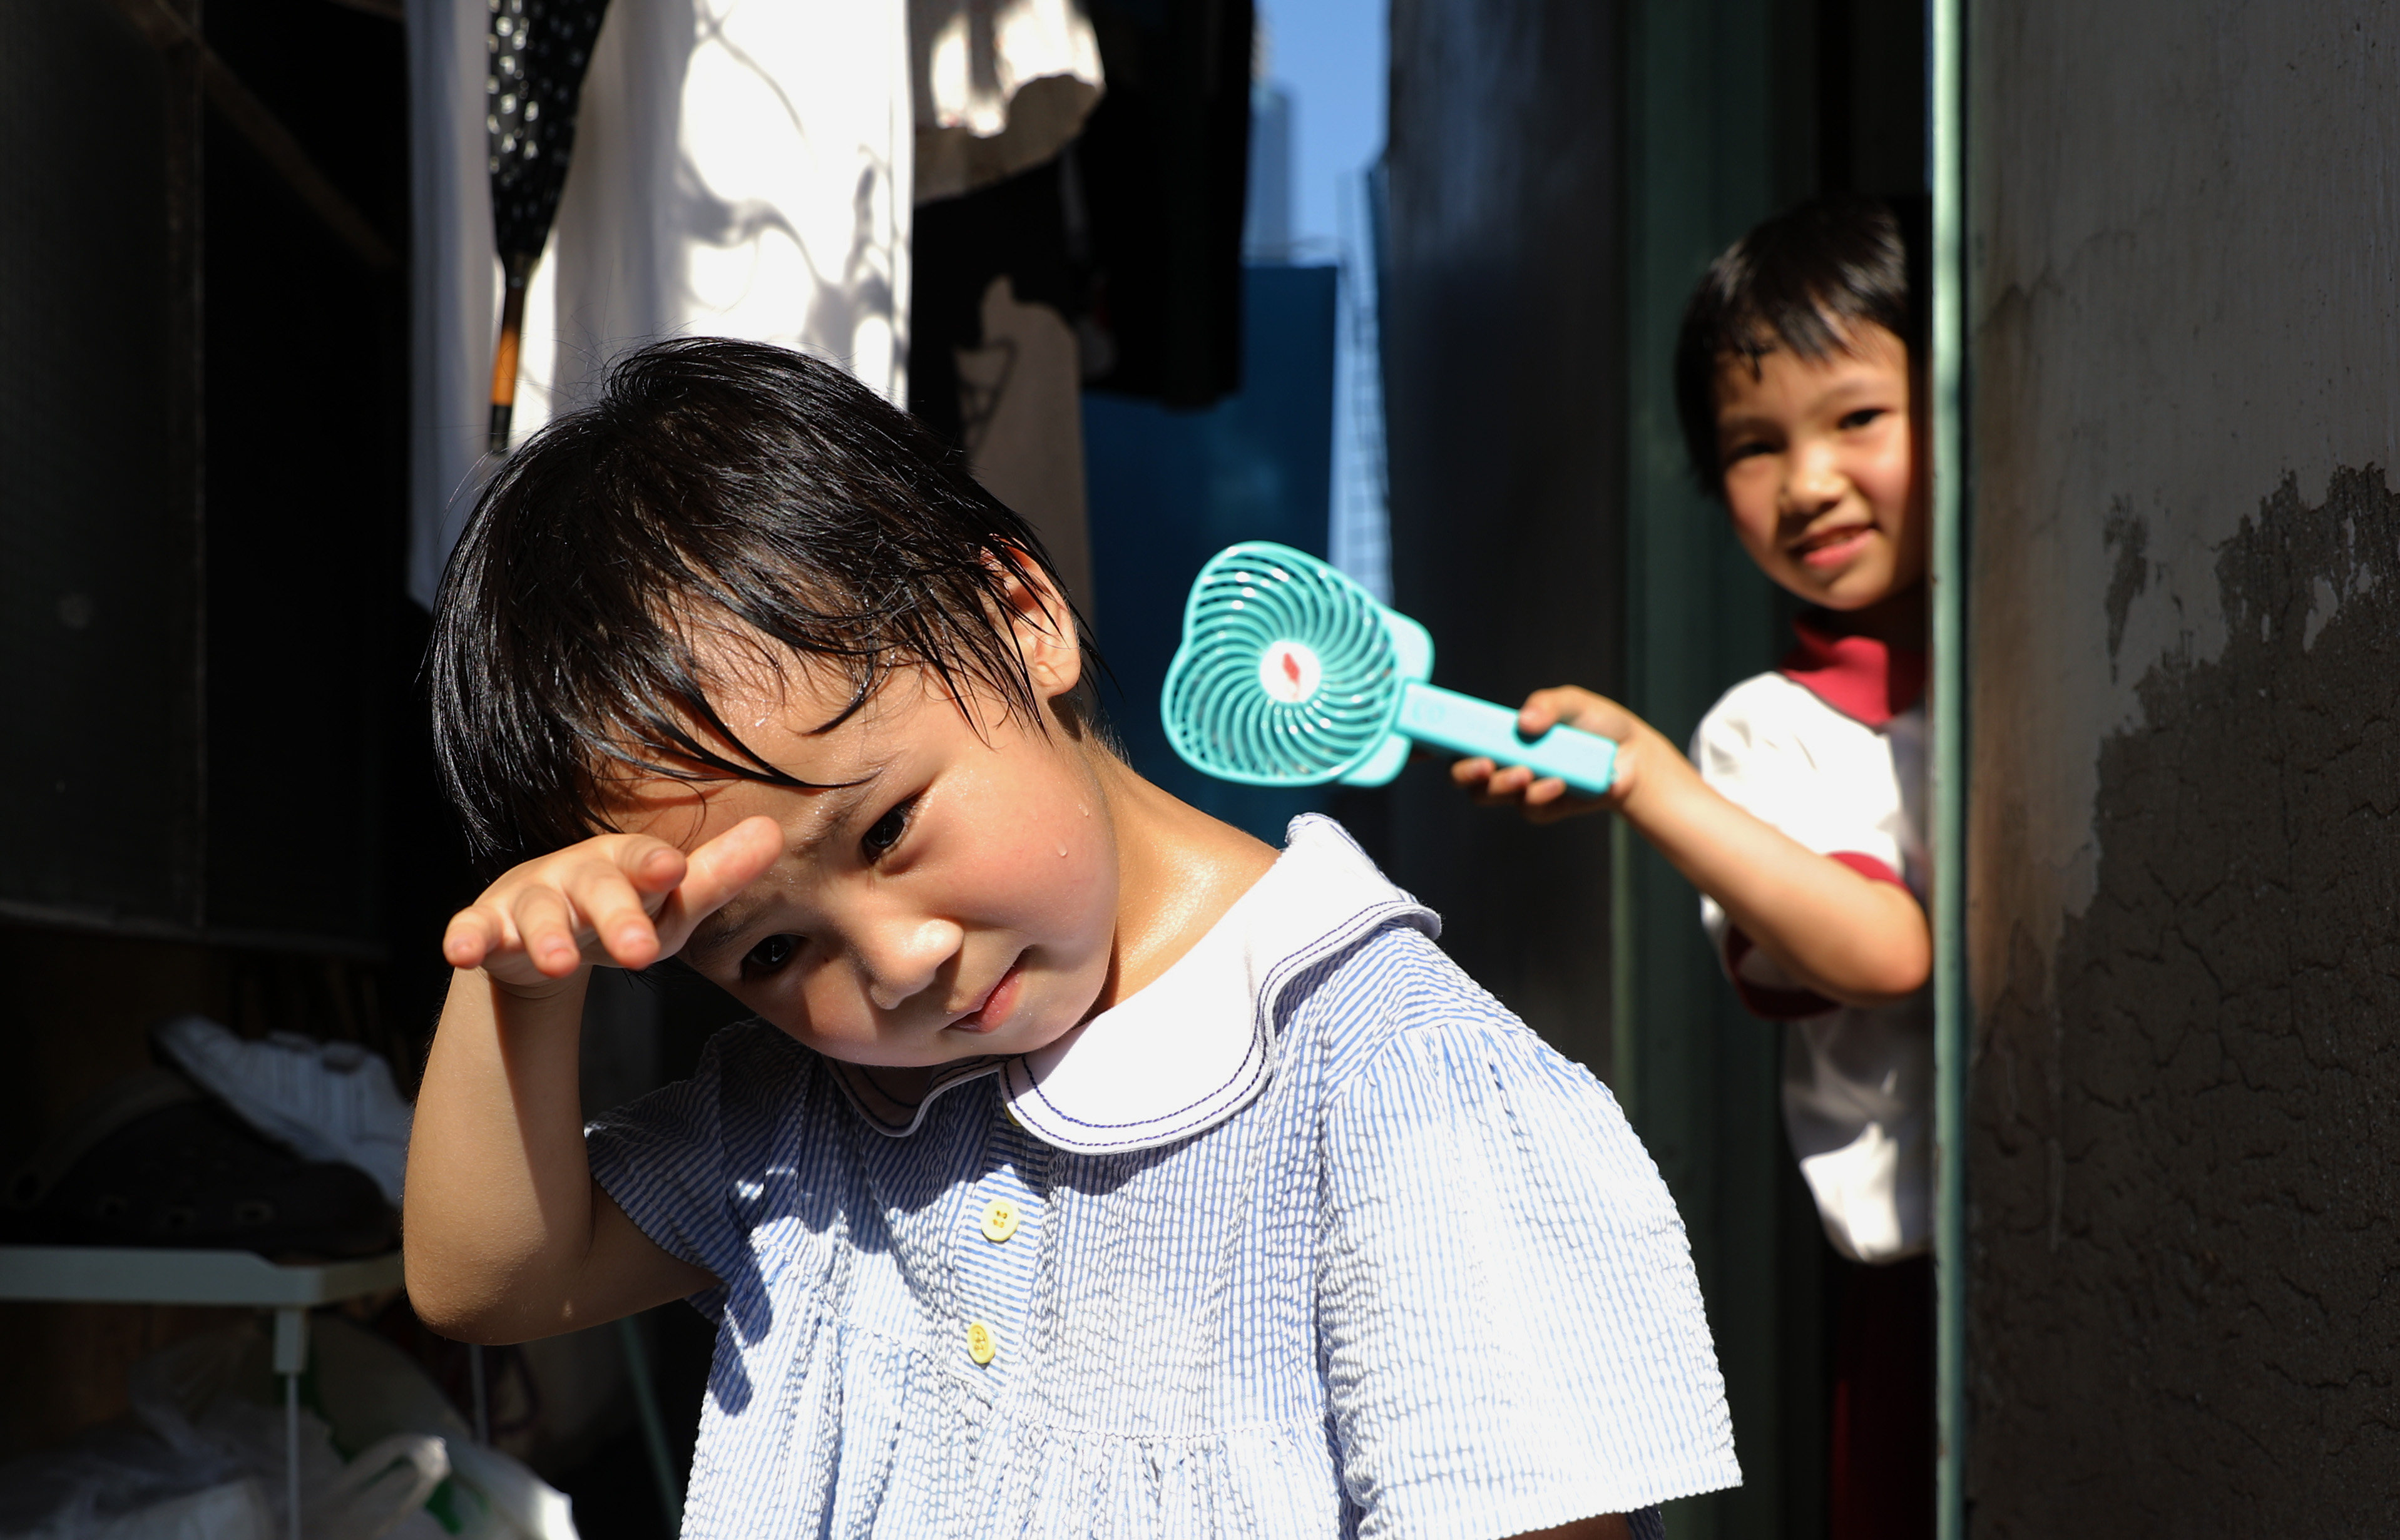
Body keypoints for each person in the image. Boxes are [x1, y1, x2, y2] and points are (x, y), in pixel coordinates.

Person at [402, 338, 1740, 1539]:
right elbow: (490, 1280)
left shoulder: (1386, 1088)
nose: (894, 960)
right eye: (766, 954)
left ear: (1020, 616)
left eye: (884, 832)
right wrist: (519, 992)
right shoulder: (816, 1124)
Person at [1453, 195, 1935, 1537]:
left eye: (1856, 417)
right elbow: (1887, 949)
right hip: (1920, 1295)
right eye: (1752, 445)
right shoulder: (1761, 736)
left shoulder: (2035, 627)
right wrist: (1649, 781)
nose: (1809, 481)